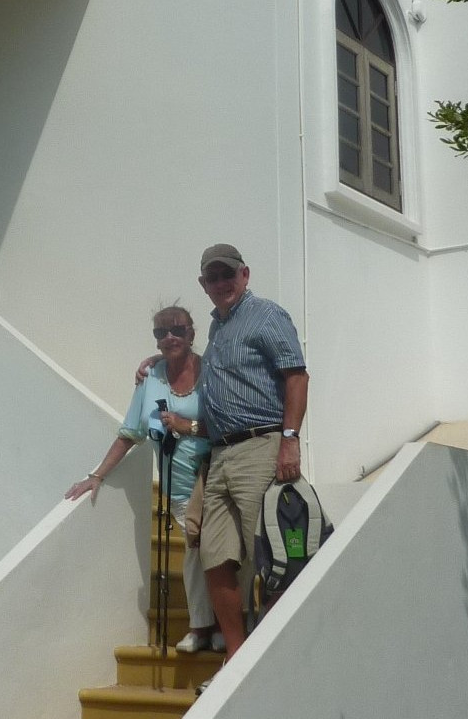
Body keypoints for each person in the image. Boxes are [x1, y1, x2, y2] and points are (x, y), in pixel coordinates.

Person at [137, 244, 308, 668]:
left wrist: (290, 438)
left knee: (271, 554)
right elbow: (210, 369)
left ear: (245, 274)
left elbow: (296, 375)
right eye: (212, 278)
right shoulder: (216, 329)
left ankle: (277, 655)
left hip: (260, 446)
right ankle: (236, 658)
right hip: (220, 455)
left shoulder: (266, 315)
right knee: (213, 554)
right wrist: (162, 358)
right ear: (203, 285)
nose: (220, 283)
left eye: (227, 274)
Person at [66, 306, 224, 654]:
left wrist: (188, 427)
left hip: (214, 476)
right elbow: (130, 433)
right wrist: (96, 475)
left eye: (177, 330)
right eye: (161, 333)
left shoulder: (210, 370)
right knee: (199, 549)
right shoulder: (150, 379)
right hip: (177, 485)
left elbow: (228, 423)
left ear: (191, 334)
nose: (169, 337)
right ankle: (206, 627)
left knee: (212, 549)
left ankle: (212, 625)